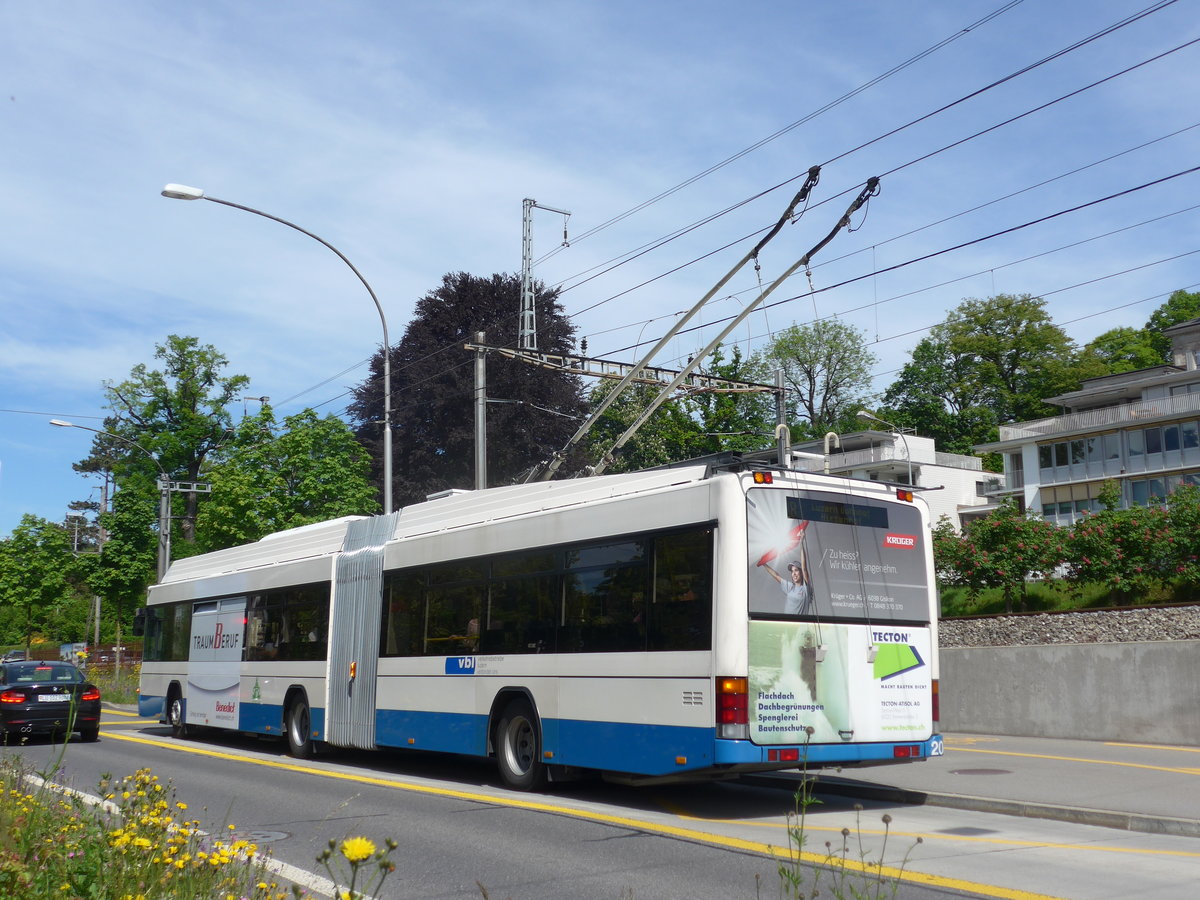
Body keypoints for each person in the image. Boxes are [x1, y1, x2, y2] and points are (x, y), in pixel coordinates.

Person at [759, 539, 813, 616]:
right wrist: (764, 564)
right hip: (787, 625)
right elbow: (776, 575)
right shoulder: (790, 587)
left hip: (800, 626)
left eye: (796, 570)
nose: (794, 573)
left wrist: (801, 542)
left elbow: (804, 568)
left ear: (801, 573)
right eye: (792, 571)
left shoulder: (805, 589)